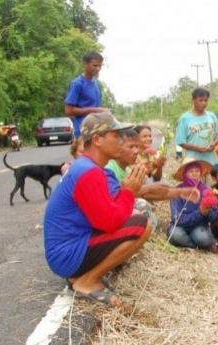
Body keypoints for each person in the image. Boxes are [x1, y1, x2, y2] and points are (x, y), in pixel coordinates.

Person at [43, 113, 150, 307]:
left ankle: (81, 276)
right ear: (97, 140)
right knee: (143, 224)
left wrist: (127, 192)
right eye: (116, 136)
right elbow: (110, 222)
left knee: (134, 216)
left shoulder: (87, 166)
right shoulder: (89, 172)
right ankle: (87, 281)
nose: (121, 140)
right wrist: (128, 192)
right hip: (65, 255)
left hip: (66, 249)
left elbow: (106, 211)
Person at [167, 157, 218, 252]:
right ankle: (198, 246)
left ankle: (202, 242)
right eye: (191, 171)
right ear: (185, 174)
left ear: (201, 173)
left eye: (197, 170)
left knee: (203, 239)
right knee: (175, 235)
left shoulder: (207, 190)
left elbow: (212, 218)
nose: (194, 174)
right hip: (181, 227)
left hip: (199, 227)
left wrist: (207, 212)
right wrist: (199, 212)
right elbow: (177, 219)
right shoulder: (177, 191)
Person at [64, 52, 111, 138]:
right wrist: (95, 110)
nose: (98, 69)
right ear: (85, 64)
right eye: (95, 65)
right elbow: (68, 111)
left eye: (100, 66)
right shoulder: (77, 84)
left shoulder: (95, 82)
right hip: (83, 132)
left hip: (96, 130)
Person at [175, 87, 218, 165]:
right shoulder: (185, 119)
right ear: (193, 100)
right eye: (200, 100)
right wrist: (197, 148)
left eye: (205, 100)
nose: (203, 103)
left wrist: (214, 143)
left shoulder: (212, 116)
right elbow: (181, 142)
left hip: (212, 161)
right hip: (194, 162)